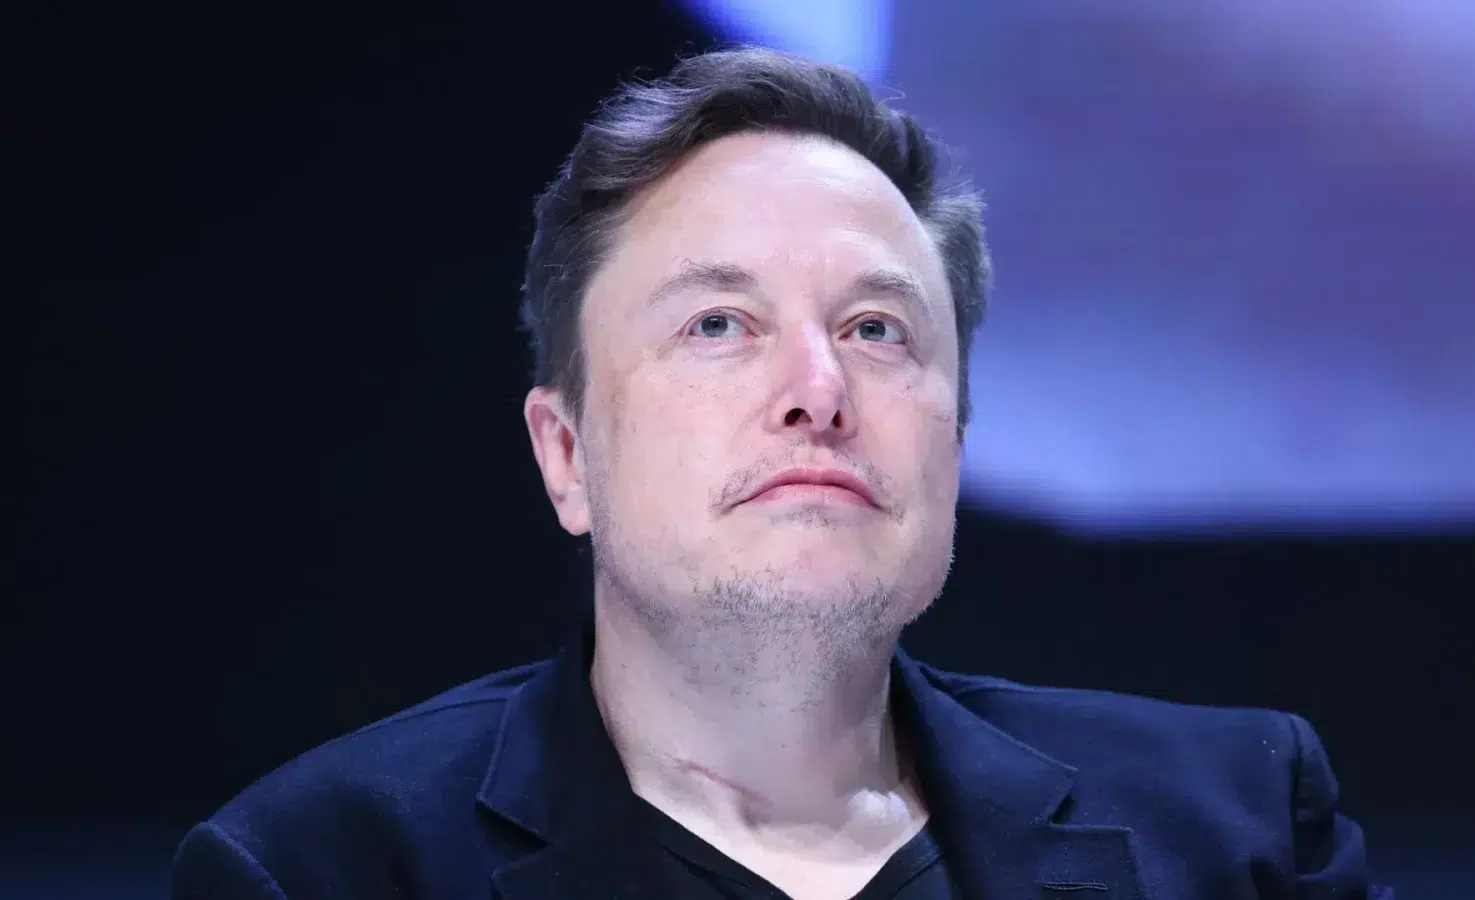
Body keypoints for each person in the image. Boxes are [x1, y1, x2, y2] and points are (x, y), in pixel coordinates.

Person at [171, 46, 1392, 900]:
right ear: (566, 455)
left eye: (877, 329)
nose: (819, 386)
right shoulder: (326, 870)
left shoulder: (1237, 834)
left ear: (955, 445)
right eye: (718, 324)